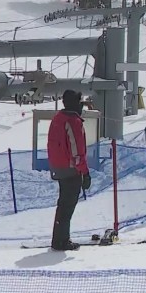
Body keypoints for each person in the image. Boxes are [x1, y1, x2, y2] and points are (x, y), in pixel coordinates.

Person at [47, 90, 92, 250]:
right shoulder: (72, 121)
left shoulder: (58, 118)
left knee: (63, 204)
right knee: (67, 205)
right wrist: (85, 172)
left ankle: (59, 238)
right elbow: (77, 151)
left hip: (59, 167)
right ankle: (61, 240)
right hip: (70, 169)